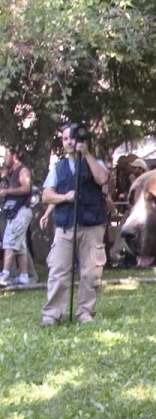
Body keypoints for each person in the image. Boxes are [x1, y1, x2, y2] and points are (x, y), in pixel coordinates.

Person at [40, 124, 109, 326]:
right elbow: (46, 195)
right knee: (58, 271)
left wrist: (86, 154)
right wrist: (64, 197)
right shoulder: (58, 167)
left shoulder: (95, 163)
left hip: (91, 226)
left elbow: (103, 178)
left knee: (90, 272)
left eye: (73, 138)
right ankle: (52, 314)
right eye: (65, 139)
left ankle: (85, 312)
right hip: (65, 226)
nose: (69, 142)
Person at [0, 148, 33, 287]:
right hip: (14, 212)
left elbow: (26, 188)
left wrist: (7, 191)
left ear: (14, 156)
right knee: (20, 246)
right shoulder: (11, 173)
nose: (4, 158)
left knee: (9, 240)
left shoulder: (22, 170)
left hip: (22, 211)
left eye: (6, 155)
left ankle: (5, 275)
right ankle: (24, 276)